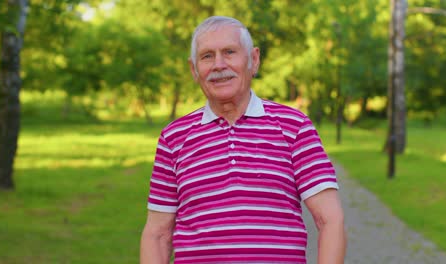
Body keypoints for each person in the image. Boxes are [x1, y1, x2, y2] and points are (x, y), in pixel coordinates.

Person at [140, 16, 346, 264]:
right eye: (207, 56)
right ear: (194, 69)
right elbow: (158, 235)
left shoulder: (295, 127)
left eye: (229, 52)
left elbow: (330, 220)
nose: (218, 65)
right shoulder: (174, 138)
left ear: (254, 60)